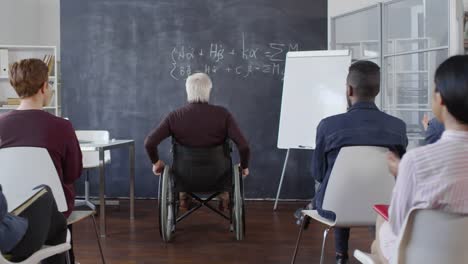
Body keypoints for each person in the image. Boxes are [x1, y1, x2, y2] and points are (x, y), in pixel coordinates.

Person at [372, 55, 468, 263]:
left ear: (440, 99)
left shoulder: (416, 161)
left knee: (381, 227)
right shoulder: (414, 163)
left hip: (421, 257)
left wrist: (404, 172)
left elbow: (399, 225)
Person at [312, 60, 408, 264]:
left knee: (338, 187)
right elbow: (400, 174)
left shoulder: (328, 126)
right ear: (378, 90)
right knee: (376, 193)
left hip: (334, 207)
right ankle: (381, 249)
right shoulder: (397, 127)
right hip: (384, 206)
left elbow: (318, 173)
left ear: (349, 89)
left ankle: (340, 255)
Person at [0, 58, 82, 262]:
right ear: (45, 86)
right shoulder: (62, 127)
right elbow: (73, 173)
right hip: (55, 210)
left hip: (8, 210)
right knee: (56, 201)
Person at [145, 72, 250, 211]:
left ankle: (183, 198)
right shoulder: (223, 114)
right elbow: (244, 146)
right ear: (208, 90)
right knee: (225, 172)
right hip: (218, 178)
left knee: (182, 172)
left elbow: (149, 143)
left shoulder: (175, 116)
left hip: (185, 179)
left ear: (188, 90)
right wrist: (244, 166)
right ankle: (225, 199)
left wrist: (156, 163)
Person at [0, 185, 68, 263]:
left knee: (58, 222)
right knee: (45, 190)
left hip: (8, 238)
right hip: (13, 240)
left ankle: (22, 258)